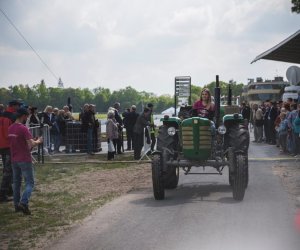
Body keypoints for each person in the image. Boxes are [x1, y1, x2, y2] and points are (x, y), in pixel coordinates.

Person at [8, 108, 43, 215]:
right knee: (30, 183)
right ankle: (23, 202)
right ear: (23, 116)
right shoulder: (23, 128)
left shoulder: (10, 128)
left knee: (17, 183)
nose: (27, 118)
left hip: (14, 159)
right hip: (24, 159)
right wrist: (39, 141)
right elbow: (31, 144)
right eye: (26, 116)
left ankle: (16, 206)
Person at [0, 100, 21, 202]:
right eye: (18, 105)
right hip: (8, 146)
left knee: (7, 169)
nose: (19, 107)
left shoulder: (2, 114)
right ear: (14, 106)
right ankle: (2, 194)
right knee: (8, 171)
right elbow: (9, 133)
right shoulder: (11, 116)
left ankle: (9, 191)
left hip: (2, 145)